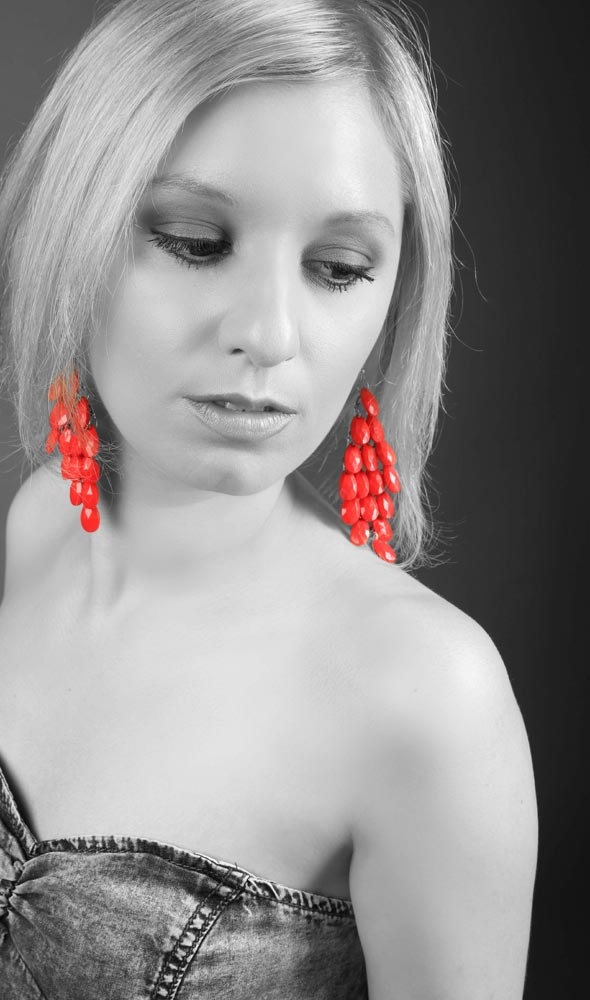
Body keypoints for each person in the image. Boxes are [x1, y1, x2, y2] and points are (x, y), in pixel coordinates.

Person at [0, 0, 537, 997]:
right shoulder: (39, 524)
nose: (269, 332)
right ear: (72, 228)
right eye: (195, 241)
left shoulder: (428, 700)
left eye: (337, 268)